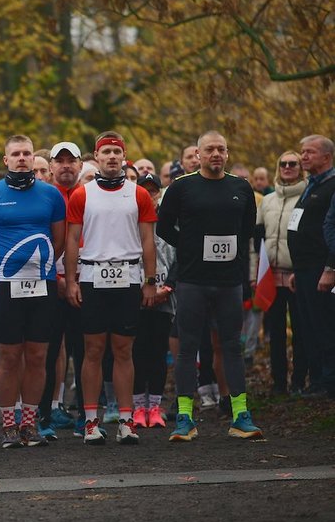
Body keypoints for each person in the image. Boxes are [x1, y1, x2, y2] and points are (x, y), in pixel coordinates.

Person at [158, 131, 261, 441]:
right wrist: (189, 248)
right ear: (198, 155)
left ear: (227, 154)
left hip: (229, 282)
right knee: (187, 348)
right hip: (192, 281)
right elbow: (164, 227)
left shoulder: (241, 188)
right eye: (210, 149)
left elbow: (245, 233)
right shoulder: (181, 187)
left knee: (232, 346)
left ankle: (240, 415)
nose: (216, 154)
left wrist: (242, 275)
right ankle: (185, 418)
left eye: (221, 149)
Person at [0, 136, 66, 448]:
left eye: (27, 153)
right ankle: (9, 425)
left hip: (43, 284)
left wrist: (42, 268)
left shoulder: (51, 195)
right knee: (9, 356)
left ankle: (30, 423)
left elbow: (59, 241)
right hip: (7, 286)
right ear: (6, 159)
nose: (23, 158)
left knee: (38, 355)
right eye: (16, 154)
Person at [65, 131, 157, 446]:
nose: (112, 157)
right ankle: (91, 421)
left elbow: (148, 241)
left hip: (128, 278)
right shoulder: (82, 194)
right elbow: (72, 240)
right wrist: (72, 281)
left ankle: (126, 420)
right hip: (92, 278)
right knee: (92, 351)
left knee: (123, 350)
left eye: (117, 152)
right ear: (96, 157)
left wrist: (150, 281)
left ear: (124, 156)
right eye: (106, 153)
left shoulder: (139, 194)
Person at [253, 151, 306, 395]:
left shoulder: (308, 197)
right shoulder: (268, 201)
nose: (287, 167)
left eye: (292, 163)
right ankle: (278, 383)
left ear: (300, 167)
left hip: (298, 276)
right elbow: (256, 240)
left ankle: (299, 380)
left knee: (301, 329)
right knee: (275, 331)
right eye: (283, 163)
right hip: (270, 276)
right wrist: (255, 273)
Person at [287, 135, 335, 399]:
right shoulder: (310, 185)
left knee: (325, 324)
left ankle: (329, 382)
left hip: (323, 269)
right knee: (309, 326)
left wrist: (331, 268)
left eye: (310, 153)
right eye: (302, 151)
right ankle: (317, 380)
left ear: (326, 157)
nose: (303, 156)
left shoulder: (332, 186)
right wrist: (297, 269)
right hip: (304, 269)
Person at [43, 142, 85, 435]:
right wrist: (55, 277)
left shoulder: (89, 195)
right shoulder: (44, 196)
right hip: (50, 283)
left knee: (85, 351)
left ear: (81, 165)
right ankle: (45, 414)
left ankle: (86, 413)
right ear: (52, 166)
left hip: (87, 282)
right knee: (47, 351)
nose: (66, 165)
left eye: (72, 160)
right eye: (61, 161)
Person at [131, 173, 175, 428]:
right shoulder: (129, 221)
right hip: (135, 296)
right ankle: (138, 407)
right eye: (144, 190)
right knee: (137, 351)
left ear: (159, 193)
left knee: (158, 352)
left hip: (165, 296)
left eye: (153, 191)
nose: (149, 195)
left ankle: (155, 406)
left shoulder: (170, 222)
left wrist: (168, 287)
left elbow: (181, 255)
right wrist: (140, 289)